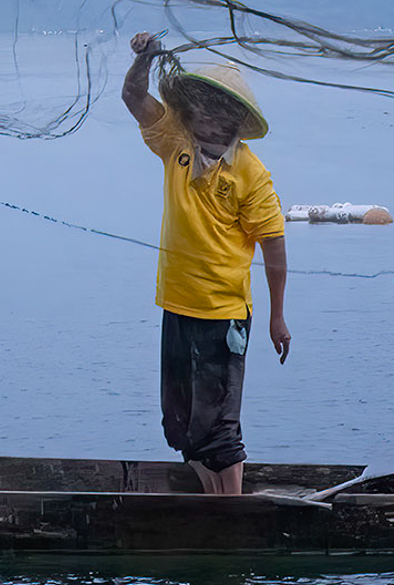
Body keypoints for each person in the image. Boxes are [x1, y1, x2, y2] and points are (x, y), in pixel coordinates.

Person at [122, 32, 288, 496]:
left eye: (218, 109)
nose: (206, 116)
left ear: (234, 118)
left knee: (218, 428)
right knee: (180, 423)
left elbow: (274, 247)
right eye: (200, 106)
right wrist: (145, 57)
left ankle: (230, 512)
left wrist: (276, 317)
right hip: (177, 303)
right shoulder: (175, 140)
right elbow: (133, 95)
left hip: (222, 313)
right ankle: (214, 500)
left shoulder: (250, 174)